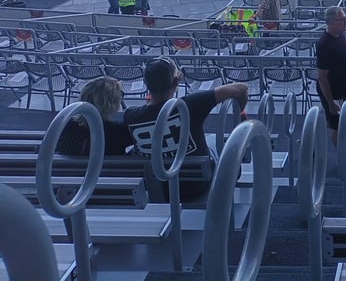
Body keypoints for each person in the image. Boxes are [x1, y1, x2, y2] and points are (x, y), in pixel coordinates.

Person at [125, 57, 248, 200]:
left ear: (146, 83)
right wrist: (241, 114)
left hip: (158, 188)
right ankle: (232, 174)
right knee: (216, 140)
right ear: (177, 81)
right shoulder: (189, 105)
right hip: (197, 185)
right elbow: (241, 89)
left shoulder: (131, 116)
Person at [316, 6, 346, 143]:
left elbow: (344, 55)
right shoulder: (324, 44)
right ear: (331, 22)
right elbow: (322, 77)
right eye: (342, 19)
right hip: (333, 92)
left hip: (343, 89)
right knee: (338, 126)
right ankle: (345, 159)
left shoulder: (339, 36)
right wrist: (330, 102)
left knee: (341, 123)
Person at [56, 76, 132, 156]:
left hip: (66, 168)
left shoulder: (65, 125)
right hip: (109, 168)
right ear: (111, 104)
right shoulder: (118, 132)